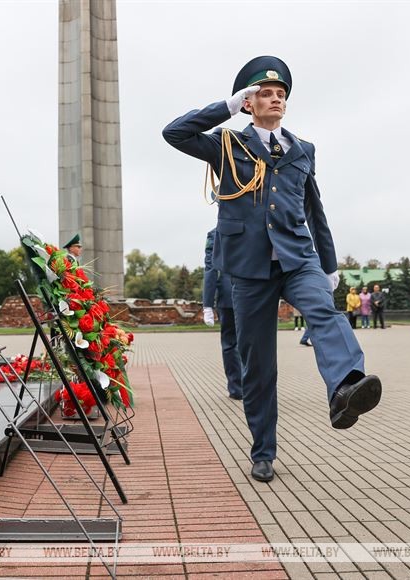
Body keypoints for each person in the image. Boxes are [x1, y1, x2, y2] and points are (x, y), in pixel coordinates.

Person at [163, 55, 382, 483]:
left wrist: (330, 263)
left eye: (281, 94)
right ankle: (262, 449)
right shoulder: (227, 145)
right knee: (258, 364)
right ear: (249, 102)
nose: (276, 99)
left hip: (298, 258)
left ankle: (346, 386)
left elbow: (314, 208)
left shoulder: (303, 150)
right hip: (247, 268)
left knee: (324, 311)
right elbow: (174, 133)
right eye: (265, 93)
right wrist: (224, 107)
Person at [203, 228, 243, 399]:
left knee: (230, 344)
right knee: (254, 344)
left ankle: (237, 389)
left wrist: (207, 304)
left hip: (228, 296)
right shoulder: (254, 224)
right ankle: (255, 388)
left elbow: (211, 269)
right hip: (255, 292)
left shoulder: (215, 233)